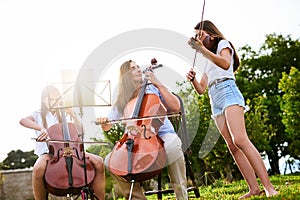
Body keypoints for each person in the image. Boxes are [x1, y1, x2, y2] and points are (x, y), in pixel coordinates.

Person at [186, 20, 279, 199]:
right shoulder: (205, 60)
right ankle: (254, 189)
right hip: (215, 98)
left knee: (240, 139)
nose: (198, 39)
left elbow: (224, 64)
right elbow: (201, 89)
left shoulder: (223, 44)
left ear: (210, 35)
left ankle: (269, 187)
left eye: (200, 34)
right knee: (232, 145)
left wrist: (201, 50)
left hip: (228, 91)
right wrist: (193, 80)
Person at [96, 60, 188, 200]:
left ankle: (182, 197)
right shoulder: (123, 99)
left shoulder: (153, 88)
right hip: (135, 139)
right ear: (126, 75)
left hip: (163, 133)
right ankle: (137, 197)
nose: (138, 69)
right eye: (133, 68)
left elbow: (176, 107)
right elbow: (109, 124)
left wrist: (157, 82)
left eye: (138, 67)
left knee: (173, 148)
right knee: (110, 161)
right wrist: (104, 122)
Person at [19, 85, 105, 200]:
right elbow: (23, 120)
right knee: (38, 168)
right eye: (51, 99)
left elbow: (81, 131)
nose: (54, 102)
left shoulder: (64, 114)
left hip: (73, 152)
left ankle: (100, 198)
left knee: (98, 162)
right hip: (49, 154)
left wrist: (73, 115)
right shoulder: (38, 115)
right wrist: (41, 129)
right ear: (44, 100)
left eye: (57, 98)